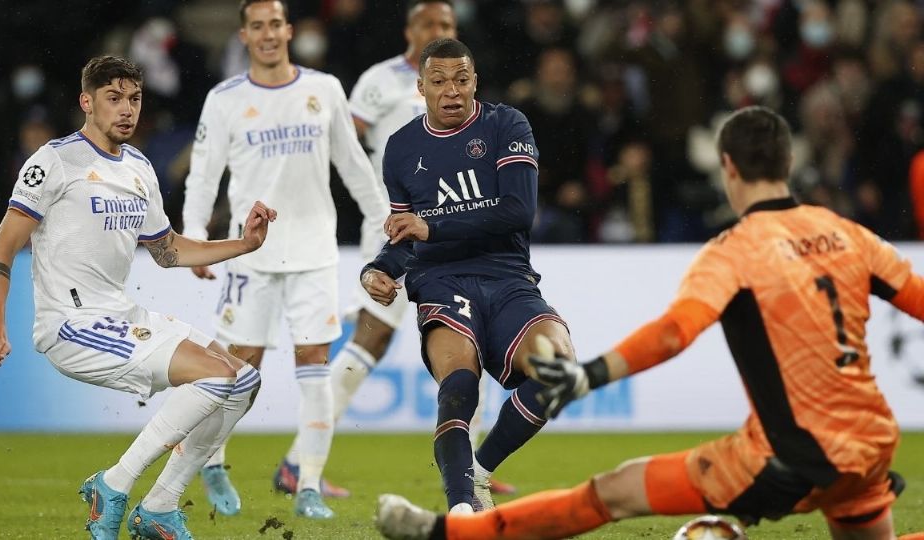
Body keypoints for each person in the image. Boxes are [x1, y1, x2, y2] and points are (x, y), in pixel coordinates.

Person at [374, 106, 924, 540]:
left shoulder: (734, 251)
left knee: (608, 494)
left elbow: (673, 333)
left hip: (787, 456)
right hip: (872, 443)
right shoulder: (850, 233)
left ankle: (448, 531)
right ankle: (470, 486)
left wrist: (591, 374)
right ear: (787, 163)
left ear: (728, 168)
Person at [0, 55, 273, 540]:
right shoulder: (54, 161)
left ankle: (159, 506)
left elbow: (168, 250)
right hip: (71, 325)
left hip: (121, 314)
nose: (126, 109)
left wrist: (244, 242)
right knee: (217, 377)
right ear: (87, 103)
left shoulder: (139, 167)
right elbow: (2, 247)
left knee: (242, 380)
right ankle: (114, 484)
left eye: (134, 98)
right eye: (114, 98)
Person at [181, 0, 387, 519]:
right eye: (258, 27)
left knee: (314, 361)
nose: (268, 34)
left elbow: (355, 166)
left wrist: (385, 225)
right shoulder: (225, 99)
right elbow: (204, 175)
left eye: (276, 24)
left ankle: (310, 484)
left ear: (289, 30)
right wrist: (194, 238)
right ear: (244, 36)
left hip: (315, 250)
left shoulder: (324, 90)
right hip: (251, 253)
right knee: (238, 365)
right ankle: (213, 462)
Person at [361, 38, 575, 514]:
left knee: (559, 372)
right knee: (459, 384)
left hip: (507, 275)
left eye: (461, 79)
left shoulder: (507, 124)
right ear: (421, 87)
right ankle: (461, 507)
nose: (451, 91)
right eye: (438, 82)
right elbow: (405, 238)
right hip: (441, 280)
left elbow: (519, 212)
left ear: (474, 81)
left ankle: (477, 473)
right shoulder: (400, 149)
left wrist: (432, 225)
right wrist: (378, 269)